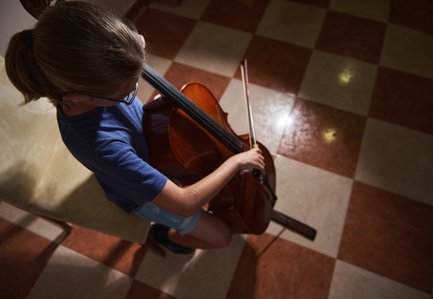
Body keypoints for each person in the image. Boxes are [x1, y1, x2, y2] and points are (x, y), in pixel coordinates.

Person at [5, 1, 264, 254]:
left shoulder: (92, 85)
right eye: (127, 92)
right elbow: (184, 204)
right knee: (221, 237)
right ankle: (166, 236)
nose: (133, 90)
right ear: (75, 96)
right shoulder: (104, 147)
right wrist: (236, 163)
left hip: (149, 151)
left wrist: (131, 48)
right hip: (136, 196)